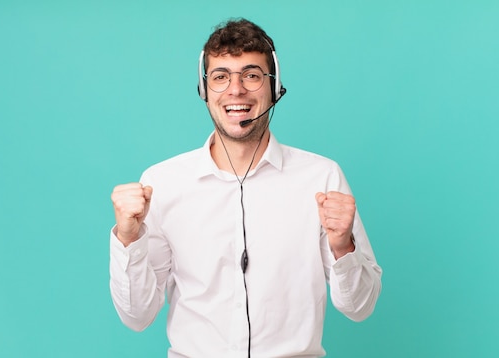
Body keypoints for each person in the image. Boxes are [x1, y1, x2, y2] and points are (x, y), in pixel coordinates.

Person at [109, 18, 382, 357]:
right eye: (221, 77)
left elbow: (360, 307)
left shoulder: (321, 177)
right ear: (204, 89)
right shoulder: (162, 183)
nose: (235, 90)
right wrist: (127, 240)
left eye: (251, 75)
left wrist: (343, 246)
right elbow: (137, 316)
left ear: (275, 86)